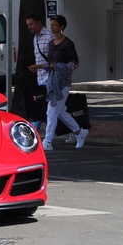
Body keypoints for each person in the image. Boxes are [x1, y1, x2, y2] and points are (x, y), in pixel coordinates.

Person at [32, 15, 88, 151]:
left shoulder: (68, 44)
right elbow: (50, 63)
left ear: (61, 27)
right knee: (60, 111)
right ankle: (79, 132)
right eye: (51, 24)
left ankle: (47, 141)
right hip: (52, 81)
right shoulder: (51, 44)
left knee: (51, 111)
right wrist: (39, 67)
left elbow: (75, 63)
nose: (52, 27)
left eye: (55, 25)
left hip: (63, 82)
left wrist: (59, 67)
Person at [26, 11, 54, 131]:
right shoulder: (35, 38)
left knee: (42, 106)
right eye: (28, 25)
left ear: (39, 23)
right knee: (52, 108)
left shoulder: (49, 37)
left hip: (50, 78)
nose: (29, 27)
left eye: (31, 24)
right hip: (40, 77)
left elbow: (54, 62)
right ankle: (76, 130)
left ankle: (33, 131)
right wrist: (37, 69)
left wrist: (39, 67)